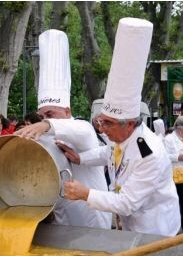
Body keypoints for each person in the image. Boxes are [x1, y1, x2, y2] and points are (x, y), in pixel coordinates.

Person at [61, 18, 180, 236]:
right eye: (100, 121)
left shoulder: (149, 153)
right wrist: (80, 159)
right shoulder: (120, 138)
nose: (102, 128)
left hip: (156, 231)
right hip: (131, 226)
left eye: (108, 123)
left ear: (131, 123)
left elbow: (126, 203)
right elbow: (108, 153)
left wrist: (85, 193)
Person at [15, 29, 112, 229]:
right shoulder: (44, 136)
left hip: (91, 217)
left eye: (51, 114)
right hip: (59, 217)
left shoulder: (82, 130)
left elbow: (80, 129)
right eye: (41, 116)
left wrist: (45, 124)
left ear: (68, 111)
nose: (45, 120)